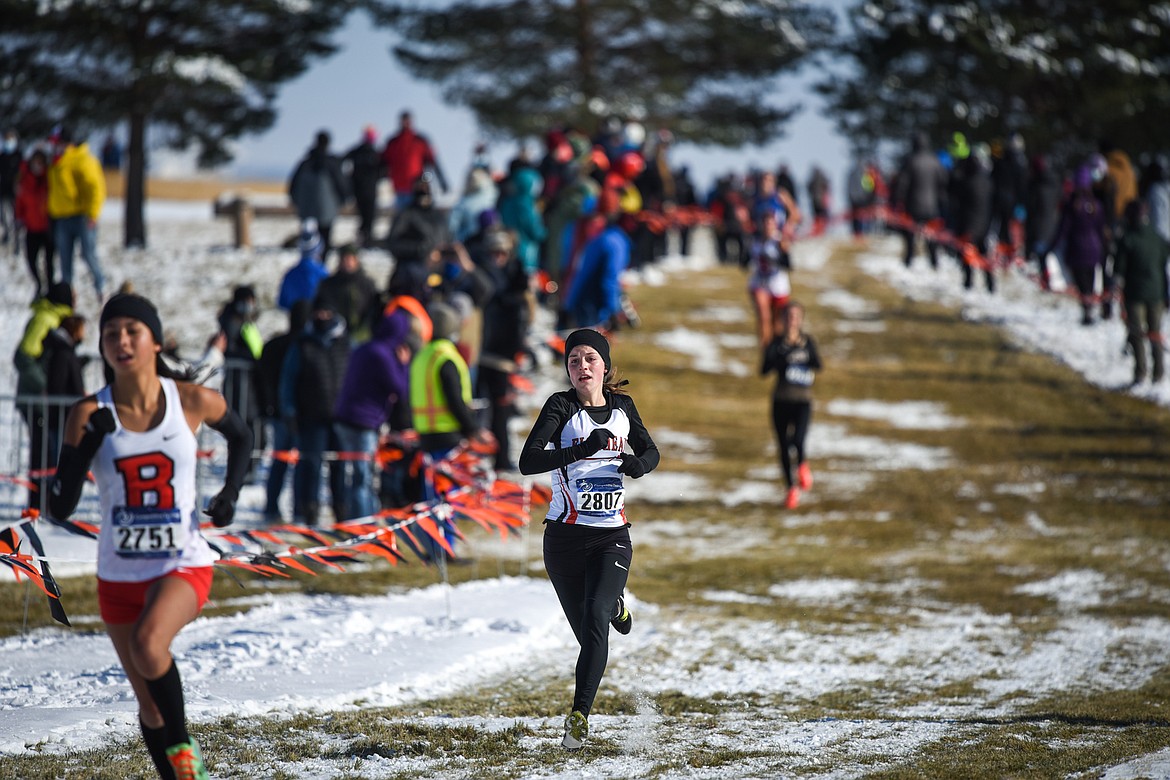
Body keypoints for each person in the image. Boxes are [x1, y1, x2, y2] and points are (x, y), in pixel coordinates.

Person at [46, 293, 252, 780]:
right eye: (111, 332)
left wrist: (229, 495)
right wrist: (85, 448)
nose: (121, 340)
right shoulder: (87, 413)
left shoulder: (191, 399)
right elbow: (60, 507)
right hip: (118, 573)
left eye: (132, 331)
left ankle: (185, 753)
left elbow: (243, 436)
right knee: (150, 707)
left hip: (182, 562)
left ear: (154, 341)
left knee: (148, 645)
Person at [518, 328, 659, 749]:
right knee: (589, 637)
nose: (582, 366)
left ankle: (578, 718)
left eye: (590, 359)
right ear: (568, 368)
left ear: (604, 366)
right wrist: (580, 450)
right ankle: (614, 603)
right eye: (574, 359)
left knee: (596, 619)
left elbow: (651, 452)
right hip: (562, 541)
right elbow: (528, 461)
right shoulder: (560, 407)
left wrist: (637, 466)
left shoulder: (623, 407)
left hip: (610, 537)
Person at [409, 302, 493, 555]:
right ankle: (446, 549)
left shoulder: (422, 355)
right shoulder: (447, 357)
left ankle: (434, 547)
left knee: (433, 497)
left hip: (426, 434)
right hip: (448, 436)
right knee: (448, 496)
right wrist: (473, 429)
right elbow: (455, 399)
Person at [332, 309, 413, 521]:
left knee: (353, 473)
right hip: (362, 421)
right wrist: (403, 366)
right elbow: (401, 389)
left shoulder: (364, 348)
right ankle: (362, 523)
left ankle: (354, 516)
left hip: (345, 417)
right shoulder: (383, 354)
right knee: (362, 476)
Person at [279, 293, 351, 526]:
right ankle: (309, 513)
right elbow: (288, 381)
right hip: (311, 417)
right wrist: (289, 410)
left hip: (341, 418)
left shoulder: (346, 343)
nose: (322, 317)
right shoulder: (303, 344)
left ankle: (341, 512)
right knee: (311, 466)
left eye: (327, 313)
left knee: (340, 466)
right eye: (318, 313)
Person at [477, 229, 533, 472]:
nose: (497, 258)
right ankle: (479, 459)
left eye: (502, 253)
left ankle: (500, 459)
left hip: (502, 357)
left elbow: (521, 321)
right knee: (479, 409)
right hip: (481, 353)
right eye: (493, 253)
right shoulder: (482, 276)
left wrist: (517, 351)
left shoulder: (515, 282)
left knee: (501, 411)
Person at [761, 301, 822, 510]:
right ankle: (791, 489)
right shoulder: (776, 343)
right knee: (783, 446)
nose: (792, 320)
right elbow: (764, 369)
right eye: (788, 316)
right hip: (780, 401)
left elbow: (818, 364)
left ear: (801, 319)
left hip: (802, 401)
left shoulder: (807, 342)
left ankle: (803, 466)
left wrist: (800, 359)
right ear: (783, 319)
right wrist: (779, 357)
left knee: (798, 439)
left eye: (796, 316)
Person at [256, 299, 312, 523]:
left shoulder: (273, 345)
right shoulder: (305, 346)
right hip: (297, 413)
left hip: (276, 412)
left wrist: (264, 407)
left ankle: (271, 506)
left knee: (279, 460)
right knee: (298, 462)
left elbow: (258, 380)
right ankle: (297, 508)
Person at [30, 314, 88, 514]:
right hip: (62, 419)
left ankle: (50, 507)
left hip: (65, 417)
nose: (84, 334)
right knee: (56, 467)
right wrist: (77, 400)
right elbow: (58, 385)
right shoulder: (62, 353)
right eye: (81, 329)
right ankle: (49, 508)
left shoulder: (65, 351)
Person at [1114, 200, 1170, 384]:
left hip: (1135, 295)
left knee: (1137, 334)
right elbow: (1164, 260)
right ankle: (1159, 373)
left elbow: (1119, 269)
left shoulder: (1128, 238)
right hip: (1157, 293)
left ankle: (1140, 373)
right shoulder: (1157, 237)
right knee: (1155, 333)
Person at [48, 126, 106, 300]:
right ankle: (67, 293)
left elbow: (95, 188)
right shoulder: (56, 162)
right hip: (61, 217)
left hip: (82, 217)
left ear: (68, 143)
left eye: (58, 143)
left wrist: (93, 214)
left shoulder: (83, 159)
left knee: (88, 254)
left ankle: (101, 286)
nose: (56, 147)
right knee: (64, 258)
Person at [1053, 164, 1109, 326]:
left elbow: (1063, 229)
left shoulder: (1072, 205)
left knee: (1081, 284)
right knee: (1090, 283)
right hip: (1094, 249)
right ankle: (1090, 309)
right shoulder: (1096, 205)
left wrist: (1052, 246)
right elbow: (1101, 229)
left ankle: (1087, 312)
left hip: (1077, 249)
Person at [747, 193, 800, 348]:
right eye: (765, 222)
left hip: (778, 285)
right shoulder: (754, 241)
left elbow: (789, 266)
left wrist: (783, 252)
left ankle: (775, 349)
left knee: (777, 323)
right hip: (760, 283)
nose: (767, 226)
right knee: (764, 317)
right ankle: (765, 349)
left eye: (770, 223)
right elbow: (744, 262)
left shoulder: (779, 242)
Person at [288, 131, 349, 262]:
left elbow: (293, 185)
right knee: (325, 240)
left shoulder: (305, 163)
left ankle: (308, 263)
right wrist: (344, 199)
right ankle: (321, 265)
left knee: (308, 239)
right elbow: (340, 184)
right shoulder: (331, 164)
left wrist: (296, 202)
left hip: (306, 210)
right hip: (326, 210)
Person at [893, 131, 947, 269]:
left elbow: (902, 184)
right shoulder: (935, 161)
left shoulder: (910, 161)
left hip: (914, 205)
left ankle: (909, 260)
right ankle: (934, 261)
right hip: (932, 205)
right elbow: (943, 182)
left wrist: (898, 200)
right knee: (931, 234)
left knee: (910, 233)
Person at [382, 111, 448, 212]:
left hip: (417, 188)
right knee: (402, 219)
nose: (406, 123)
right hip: (399, 189)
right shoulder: (393, 143)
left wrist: (442, 181)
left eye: (408, 120)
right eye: (404, 120)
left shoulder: (420, 141)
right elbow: (383, 162)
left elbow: (433, 162)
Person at [314, 243, 378, 344]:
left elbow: (373, 309)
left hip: (361, 335)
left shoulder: (367, 284)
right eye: (344, 259)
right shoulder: (329, 284)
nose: (347, 263)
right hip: (334, 334)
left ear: (356, 261)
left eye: (350, 259)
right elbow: (320, 306)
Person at [15, 147, 55, 299]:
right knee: (31, 259)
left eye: (40, 163)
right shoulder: (24, 179)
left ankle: (50, 287)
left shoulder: (49, 178)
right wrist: (18, 218)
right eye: (35, 163)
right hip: (31, 227)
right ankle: (39, 283)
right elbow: (20, 202)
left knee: (49, 261)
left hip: (48, 227)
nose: (37, 166)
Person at [342, 125, 383, 248]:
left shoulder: (375, 153)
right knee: (366, 216)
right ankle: (365, 239)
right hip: (363, 190)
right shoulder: (363, 152)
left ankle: (366, 239)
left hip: (365, 189)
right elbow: (342, 160)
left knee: (367, 216)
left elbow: (384, 169)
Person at [277, 219, 330, 311]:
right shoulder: (322, 273)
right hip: (316, 321)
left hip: (295, 319)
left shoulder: (290, 274)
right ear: (318, 250)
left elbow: (282, 302)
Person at [0, 128, 20, 251]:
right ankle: (7, 233)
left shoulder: (19, 155)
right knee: (3, 215)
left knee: (16, 217)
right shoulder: (2, 156)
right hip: (3, 190)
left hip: (16, 191)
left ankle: (17, 239)